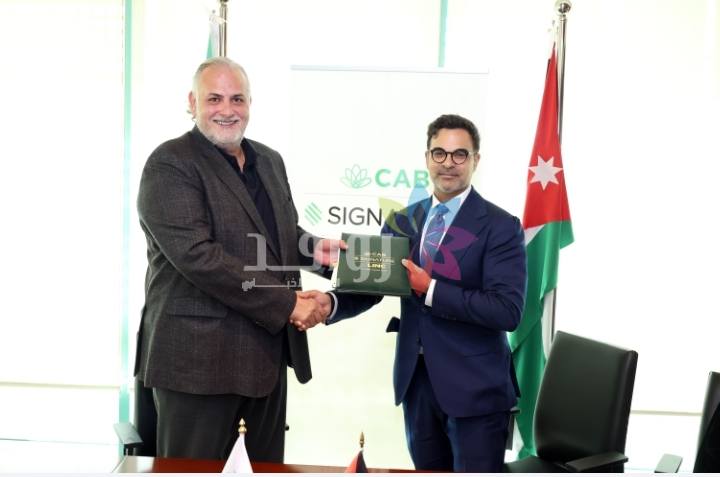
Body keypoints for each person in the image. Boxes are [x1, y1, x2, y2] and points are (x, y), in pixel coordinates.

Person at [135, 56, 341, 463]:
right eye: (214, 98)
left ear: (249, 103)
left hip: (265, 360)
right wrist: (288, 303)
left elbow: (275, 235)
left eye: (237, 99)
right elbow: (199, 256)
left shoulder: (269, 160)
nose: (227, 110)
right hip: (196, 365)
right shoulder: (171, 162)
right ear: (192, 102)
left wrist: (315, 250)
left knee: (264, 470)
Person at [304, 114, 527, 472]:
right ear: (427, 158)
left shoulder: (501, 226)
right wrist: (330, 303)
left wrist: (432, 289)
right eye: (440, 153)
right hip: (417, 386)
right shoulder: (402, 221)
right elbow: (373, 286)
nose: (448, 163)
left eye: (460, 154)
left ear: (476, 160)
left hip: (477, 393)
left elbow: (506, 310)